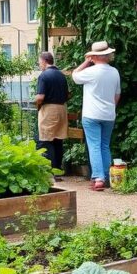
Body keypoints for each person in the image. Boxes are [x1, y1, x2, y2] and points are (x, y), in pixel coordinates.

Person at [71, 41, 121, 191]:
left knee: (94, 146)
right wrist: (110, 108)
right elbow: (117, 95)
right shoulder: (114, 72)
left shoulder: (90, 72)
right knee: (105, 145)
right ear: (108, 55)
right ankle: (105, 177)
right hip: (109, 114)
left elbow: (74, 75)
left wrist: (86, 61)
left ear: (94, 56)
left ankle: (98, 178)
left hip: (91, 114)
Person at [34, 51, 68, 178]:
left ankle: (50, 171)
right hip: (62, 109)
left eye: (39, 62)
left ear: (44, 61)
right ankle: (58, 169)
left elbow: (40, 97)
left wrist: (37, 104)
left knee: (46, 140)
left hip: (49, 110)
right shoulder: (61, 75)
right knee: (58, 140)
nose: (39, 64)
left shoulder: (44, 75)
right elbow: (68, 94)